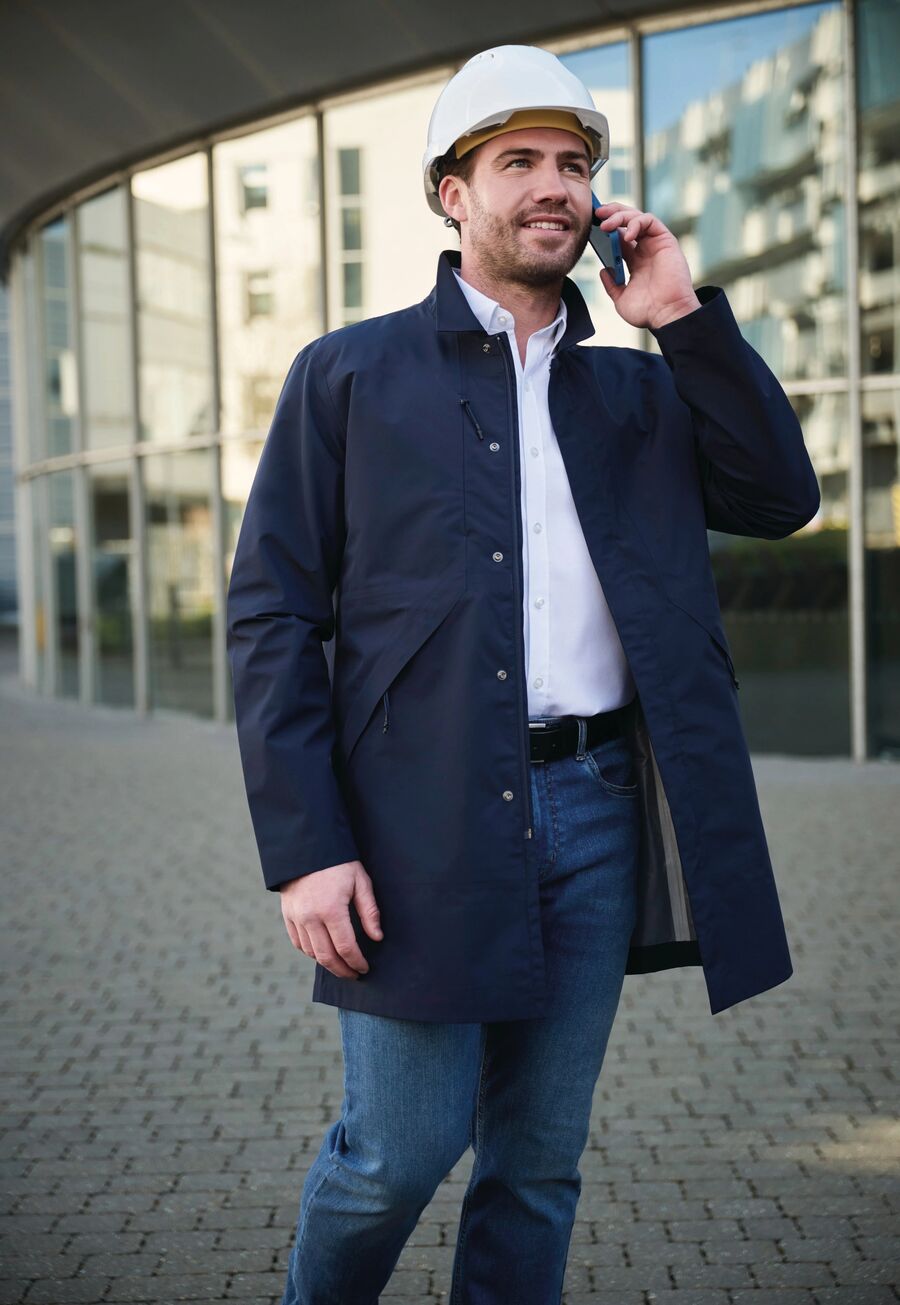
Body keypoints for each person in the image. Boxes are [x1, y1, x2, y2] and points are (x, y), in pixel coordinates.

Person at [226, 43, 820, 1305]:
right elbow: (272, 615)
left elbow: (780, 498)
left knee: (539, 1165)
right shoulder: (348, 375)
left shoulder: (639, 391)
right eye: (517, 162)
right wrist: (306, 849)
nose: (552, 184)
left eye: (572, 164)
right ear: (453, 194)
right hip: (414, 822)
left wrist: (682, 318)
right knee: (394, 1156)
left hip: (597, 806)